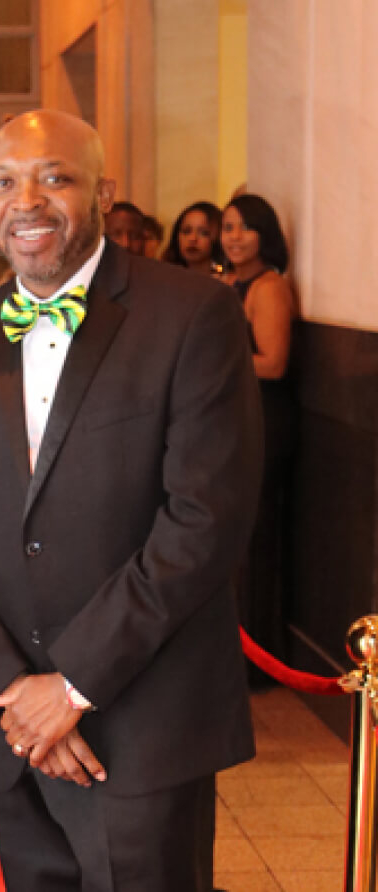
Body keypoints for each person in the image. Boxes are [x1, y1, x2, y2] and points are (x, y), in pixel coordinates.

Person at [0, 109, 262, 891]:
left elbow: (205, 520)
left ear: (103, 191)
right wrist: (16, 697)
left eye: (53, 176)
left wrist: (70, 687)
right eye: (4, 182)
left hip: (142, 724)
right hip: (16, 738)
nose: (26, 199)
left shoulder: (192, 315)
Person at [221, 192, 296, 667]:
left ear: (265, 235)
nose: (233, 237)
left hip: (265, 419)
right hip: (233, 416)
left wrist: (213, 362)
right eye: (227, 227)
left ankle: (259, 655)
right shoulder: (224, 282)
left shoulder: (269, 288)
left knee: (255, 533)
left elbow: (272, 364)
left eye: (244, 227)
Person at [163, 200, 226, 276]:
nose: (192, 239)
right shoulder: (165, 275)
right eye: (186, 231)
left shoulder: (224, 278)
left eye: (203, 233)